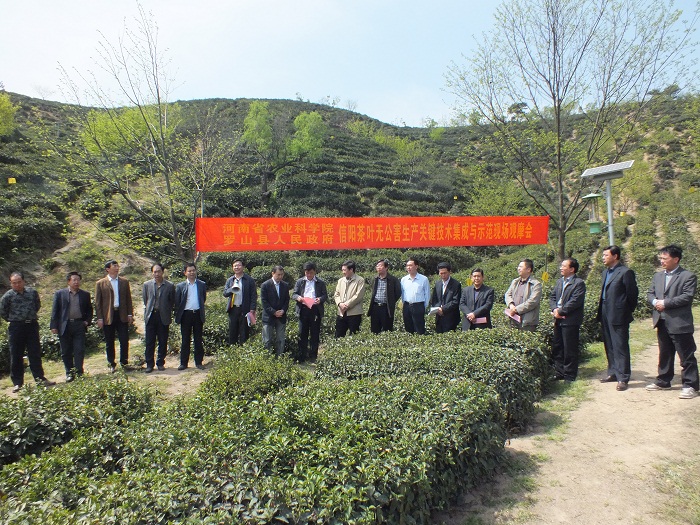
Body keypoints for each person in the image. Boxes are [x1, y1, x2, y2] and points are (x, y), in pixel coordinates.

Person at [646, 245, 699, 399]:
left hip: (679, 322)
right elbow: (650, 293)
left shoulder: (687, 276)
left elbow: (686, 297)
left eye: (665, 258)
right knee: (665, 353)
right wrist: (655, 301)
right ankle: (663, 380)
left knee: (686, 355)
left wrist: (665, 303)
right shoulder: (658, 276)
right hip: (661, 321)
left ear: (676, 259)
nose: (661, 261)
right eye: (661, 258)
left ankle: (690, 385)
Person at [1, 272, 55, 392]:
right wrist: (14, 319)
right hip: (16, 327)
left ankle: (40, 379)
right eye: (14, 283)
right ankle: (17, 383)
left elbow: (37, 306)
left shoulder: (32, 292)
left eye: (19, 282)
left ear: (24, 281)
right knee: (16, 354)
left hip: (31, 325)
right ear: (11, 283)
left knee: (34, 353)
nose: (17, 284)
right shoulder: (8, 296)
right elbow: (3, 312)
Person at [596, 245, 639, 389]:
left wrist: (625, 310)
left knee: (620, 345)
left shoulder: (625, 272)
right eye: (603, 255)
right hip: (605, 311)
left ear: (615, 256)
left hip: (619, 314)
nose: (603, 258)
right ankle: (613, 372)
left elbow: (632, 295)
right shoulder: (605, 272)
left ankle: (623, 377)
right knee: (609, 344)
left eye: (606, 255)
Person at [50, 271, 93, 382]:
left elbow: (89, 309)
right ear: (68, 281)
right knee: (66, 351)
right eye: (74, 280)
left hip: (79, 325)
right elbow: (55, 310)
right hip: (64, 325)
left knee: (79, 349)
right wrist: (53, 325)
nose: (76, 282)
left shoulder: (85, 294)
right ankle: (69, 373)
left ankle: (79, 372)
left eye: (78, 280)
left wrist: (87, 321)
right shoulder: (60, 294)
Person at [549, 258, 587, 383]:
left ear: (572, 269)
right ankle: (559, 372)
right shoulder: (559, 281)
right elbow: (552, 297)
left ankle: (570, 375)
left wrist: (561, 311)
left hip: (570, 320)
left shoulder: (579, 283)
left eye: (564, 266)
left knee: (570, 348)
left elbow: (575, 301)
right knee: (558, 346)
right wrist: (554, 309)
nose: (561, 268)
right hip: (558, 319)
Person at [95, 260, 133, 372]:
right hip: (108, 315)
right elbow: (98, 303)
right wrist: (100, 318)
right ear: (108, 269)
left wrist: (130, 314)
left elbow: (128, 299)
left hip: (122, 314)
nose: (117, 268)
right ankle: (111, 363)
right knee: (109, 341)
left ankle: (124, 363)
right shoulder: (100, 283)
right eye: (114, 266)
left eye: (117, 266)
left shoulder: (124, 282)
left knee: (124, 339)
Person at [142, 263, 175, 373]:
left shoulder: (170, 286)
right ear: (152, 273)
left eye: (158, 271)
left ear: (162, 272)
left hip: (163, 316)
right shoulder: (147, 285)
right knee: (149, 341)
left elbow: (171, 301)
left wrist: (165, 310)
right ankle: (149, 364)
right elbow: (145, 300)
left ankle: (160, 363)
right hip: (151, 316)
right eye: (154, 272)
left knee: (163, 340)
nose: (156, 274)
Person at [292, 262, 327, 361]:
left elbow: (325, 295)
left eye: (311, 273)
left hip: (315, 310)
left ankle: (313, 356)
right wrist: (299, 298)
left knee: (315, 333)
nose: (309, 275)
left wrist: (320, 299)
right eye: (307, 273)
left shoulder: (320, 282)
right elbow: (294, 294)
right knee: (302, 333)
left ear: (315, 272)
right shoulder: (300, 282)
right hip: (303, 309)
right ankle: (302, 355)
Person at [175, 263, 207, 370]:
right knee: (185, 339)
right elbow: (177, 302)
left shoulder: (202, 284)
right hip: (186, 315)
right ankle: (183, 363)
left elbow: (203, 298)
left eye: (193, 270)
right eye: (189, 271)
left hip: (197, 314)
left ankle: (199, 362)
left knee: (198, 339)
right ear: (185, 273)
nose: (192, 272)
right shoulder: (180, 286)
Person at [223, 258, 257, 345]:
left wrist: (252, 309)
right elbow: (225, 293)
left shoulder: (249, 280)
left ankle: (243, 350)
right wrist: (232, 289)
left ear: (243, 267)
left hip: (244, 309)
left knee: (244, 333)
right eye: (234, 266)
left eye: (238, 265)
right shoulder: (230, 280)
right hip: (233, 309)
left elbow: (253, 296)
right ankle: (233, 350)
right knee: (232, 332)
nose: (236, 267)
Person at [504, 258, 542, 331]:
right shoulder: (515, 281)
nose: (518, 269)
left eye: (521, 267)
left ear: (528, 269)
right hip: (513, 319)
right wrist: (511, 305)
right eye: (518, 267)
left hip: (527, 322)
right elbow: (508, 294)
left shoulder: (536, 284)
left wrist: (516, 309)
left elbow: (532, 302)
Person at [260, 265, 290, 356]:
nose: (280, 277)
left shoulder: (285, 285)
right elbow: (264, 302)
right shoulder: (265, 285)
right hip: (268, 317)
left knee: (280, 339)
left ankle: (279, 357)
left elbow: (286, 300)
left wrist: (283, 310)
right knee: (267, 340)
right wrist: (273, 312)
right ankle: (267, 359)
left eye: (282, 275)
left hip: (281, 316)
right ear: (273, 273)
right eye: (278, 275)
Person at [367, 259, 402, 334]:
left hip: (386, 308)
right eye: (377, 266)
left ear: (386, 267)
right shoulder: (374, 279)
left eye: (381, 266)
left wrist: (391, 301)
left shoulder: (393, 280)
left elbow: (398, 293)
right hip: (375, 307)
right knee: (374, 330)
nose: (378, 268)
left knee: (387, 329)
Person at [333, 260, 367, 337]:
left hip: (354, 313)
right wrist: (340, 304)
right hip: (341, 312)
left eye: (344, 270)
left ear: (351, 269)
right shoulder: (341, 281)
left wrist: (346, 305)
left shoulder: (360, 280)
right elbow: (336, 294)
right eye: (342, 270)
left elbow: (358, 296)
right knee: (338, 335)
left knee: (354, 335)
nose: (343, 272)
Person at [401, 258, 430, 335]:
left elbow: (427, 294)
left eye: (411, 265)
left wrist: (423, 307)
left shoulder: (424, 279)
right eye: (407, 266)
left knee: (419, 328)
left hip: (418, 306)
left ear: (416, 266)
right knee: (408, 328)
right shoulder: (404, 279)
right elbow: (403, 294)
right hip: (406, 305)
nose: (408, 267)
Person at [430, 262, 462, 333]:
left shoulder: (456, 284)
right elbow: (434, 299)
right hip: (439, 318)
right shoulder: (437, 284)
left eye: (445, 273)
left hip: (451, 318)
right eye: (441, 273)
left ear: (449, 272)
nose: (443, 275)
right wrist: (438, 309)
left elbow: (455, 301)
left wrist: (443, 309)